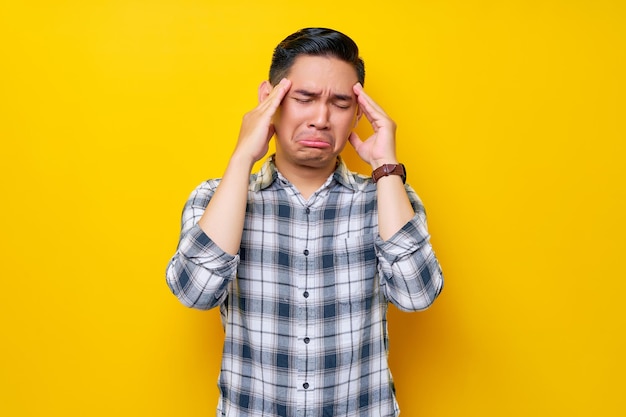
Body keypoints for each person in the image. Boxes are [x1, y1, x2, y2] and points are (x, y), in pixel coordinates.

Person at [166, 27, 444, 417]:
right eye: (305, 98)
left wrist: (385, 167)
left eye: (341, 103)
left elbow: (417, 296)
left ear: (359, 112)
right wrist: (242, 156)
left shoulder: (387, 196)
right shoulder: (216, 197)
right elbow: (195, 292)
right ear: (269, 99)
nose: (321, 118)